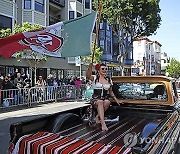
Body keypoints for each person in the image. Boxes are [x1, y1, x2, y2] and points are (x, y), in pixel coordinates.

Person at [86, 63, 123, 131]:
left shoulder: (108, 79)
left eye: (106, 69)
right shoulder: (95, 78)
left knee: (107, 102)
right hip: (95, 99)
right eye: (102, 69)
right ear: (99, 70)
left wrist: (117, 100)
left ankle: (97, 117)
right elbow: (88, 76)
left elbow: (111, 92)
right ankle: (103, 123)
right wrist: (89, 68)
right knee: (100, 102)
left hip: (104, 99)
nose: (104, 70)